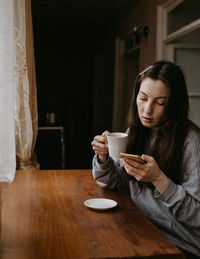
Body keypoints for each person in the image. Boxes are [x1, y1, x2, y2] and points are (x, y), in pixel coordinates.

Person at [91, 60, 200, 259]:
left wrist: (159, 180)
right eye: (142, 98)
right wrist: (103, 157)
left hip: (181, 245)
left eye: (160, 103)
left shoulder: (191, 143)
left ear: (173, 104)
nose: (147, 110)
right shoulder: (135, 131)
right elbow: (112, 181)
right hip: (144, 228)